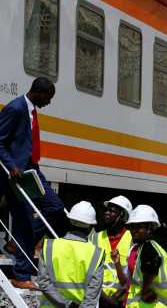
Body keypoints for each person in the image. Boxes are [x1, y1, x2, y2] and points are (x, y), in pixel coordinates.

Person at [0, 77, 66, 289]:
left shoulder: (30, 110)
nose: (49, 102)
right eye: (49, 97)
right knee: (25, 221)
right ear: (39, 92)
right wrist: (11, 165)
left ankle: (15, 245)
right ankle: (22, 275)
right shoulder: (16, 108)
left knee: (55, 208)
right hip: (17, 174)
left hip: (31, 170)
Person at [38, 201, 104, 308]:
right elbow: (92, 295)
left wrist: (67, 304)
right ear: (90, 227)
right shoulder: (96, 254)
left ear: (69, 222)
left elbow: (44, 282)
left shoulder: (49, 247)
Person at [125, 205, 167, 308]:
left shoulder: (148, 246)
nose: (134, 230)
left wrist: (144, 292)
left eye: (139, 227)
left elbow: (151, 269)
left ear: (150, 227)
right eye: (132, 226)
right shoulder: (163, 245)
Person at [90, 196, 133, 308]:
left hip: (122, 299)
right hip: (98, 298)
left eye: (112, 211)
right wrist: (104, 297)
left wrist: (117, 296)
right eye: (106, 210)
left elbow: (134, 273)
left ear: (122, 215)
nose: (106, 213)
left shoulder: (132, 240)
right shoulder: (95, 238)